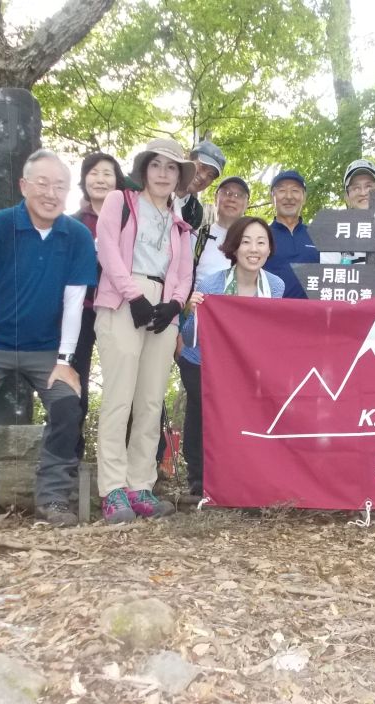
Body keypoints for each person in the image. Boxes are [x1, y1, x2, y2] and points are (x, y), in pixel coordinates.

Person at [0, 149, 95, 529]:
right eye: (42, 183)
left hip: (45, 348)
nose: (51, 193)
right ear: (24, 186)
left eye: (60, 186)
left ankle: (54, 496)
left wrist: (64, 361)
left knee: (66, 405)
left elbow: (75, 303)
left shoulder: (76, 236)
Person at [94, 138, 195, 523]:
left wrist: (173, 303)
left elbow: (184, 272)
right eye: (157, 165)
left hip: (164, 307)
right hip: (123, 298)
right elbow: (107, 249)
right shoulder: (122, 202)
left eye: (172, 168)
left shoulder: (180, 222)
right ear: (144, 170)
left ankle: (141, 485)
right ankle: (113, 488)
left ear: (179, 176)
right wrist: (134, 296)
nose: (164, 174)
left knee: (151, 400)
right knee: (119, 396)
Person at [178, 216, 286, 498]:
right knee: (201, 413)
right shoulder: (212, 284)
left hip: (246, 367)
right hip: (201, 362)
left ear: (269, 249)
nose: (254, 249)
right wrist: (192, 311)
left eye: (261, 242)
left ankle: (239, 474)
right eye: (246, 241)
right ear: (234, 247)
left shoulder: (276, 286)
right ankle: (199, 477)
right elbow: (189, 338)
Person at [71, 152, 126, 461]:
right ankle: (69, 459)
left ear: (118, 181)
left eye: (108, 173)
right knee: (72, 385)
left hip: (119, 308)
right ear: (83, 180)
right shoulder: (72, 223)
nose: (100, 179)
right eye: (93, 172)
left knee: (124, 384)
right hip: (77, 311)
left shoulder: (129, 220)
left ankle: (129, 464)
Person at [320, 159, 375, 265]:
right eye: (356, 188)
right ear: (347, 197)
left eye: (369, 186)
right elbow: (327, 276)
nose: (363, 192)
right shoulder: (333, 235)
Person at [267, 169, 317, 298]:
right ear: (272, 197)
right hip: (270, 315)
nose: (289, 196)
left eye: (295, 190)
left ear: (304, 197)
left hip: (313, 315)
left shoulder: (319, 236)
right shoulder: (261, 237)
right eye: (282, 190)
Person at [193, 176, 250, 278]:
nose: (232, 199)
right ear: (215, 199)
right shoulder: (197, 236)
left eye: (239, 195)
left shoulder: (254, 240)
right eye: (226, 193)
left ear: (247, 204)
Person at [175, 139, 226, 229]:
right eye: (202, 166)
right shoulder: (156, 186)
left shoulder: (195, 212)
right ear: (188, 159)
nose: (203, 176)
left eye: (210, 175)